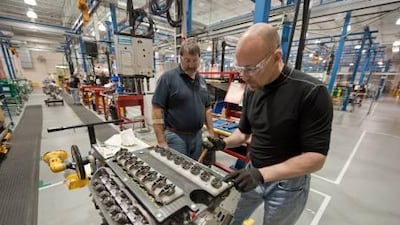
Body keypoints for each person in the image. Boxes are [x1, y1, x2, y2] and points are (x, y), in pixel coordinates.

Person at [203, 23, 333, 225]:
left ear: (276, 57)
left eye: (251, 69)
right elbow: (243, 133)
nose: (244, 76)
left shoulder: (311, 92)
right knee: (227, 219)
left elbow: (316, 158)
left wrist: (262, 175)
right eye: (240, 69)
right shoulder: (252, 89)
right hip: (252, 172)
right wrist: (223, 143)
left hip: (287, 186)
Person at [151, 41, 215, 162]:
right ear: (180, 58)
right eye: (187, 60)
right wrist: (161, 141)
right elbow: (157, 109)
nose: (191, 65)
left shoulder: (201, 81)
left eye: (194, 61)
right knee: (178, 172)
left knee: (195, 170)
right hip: (176, 136)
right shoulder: (168, 78)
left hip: (197, 136)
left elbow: (207, 108)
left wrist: (211, 132)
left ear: (199, 59)